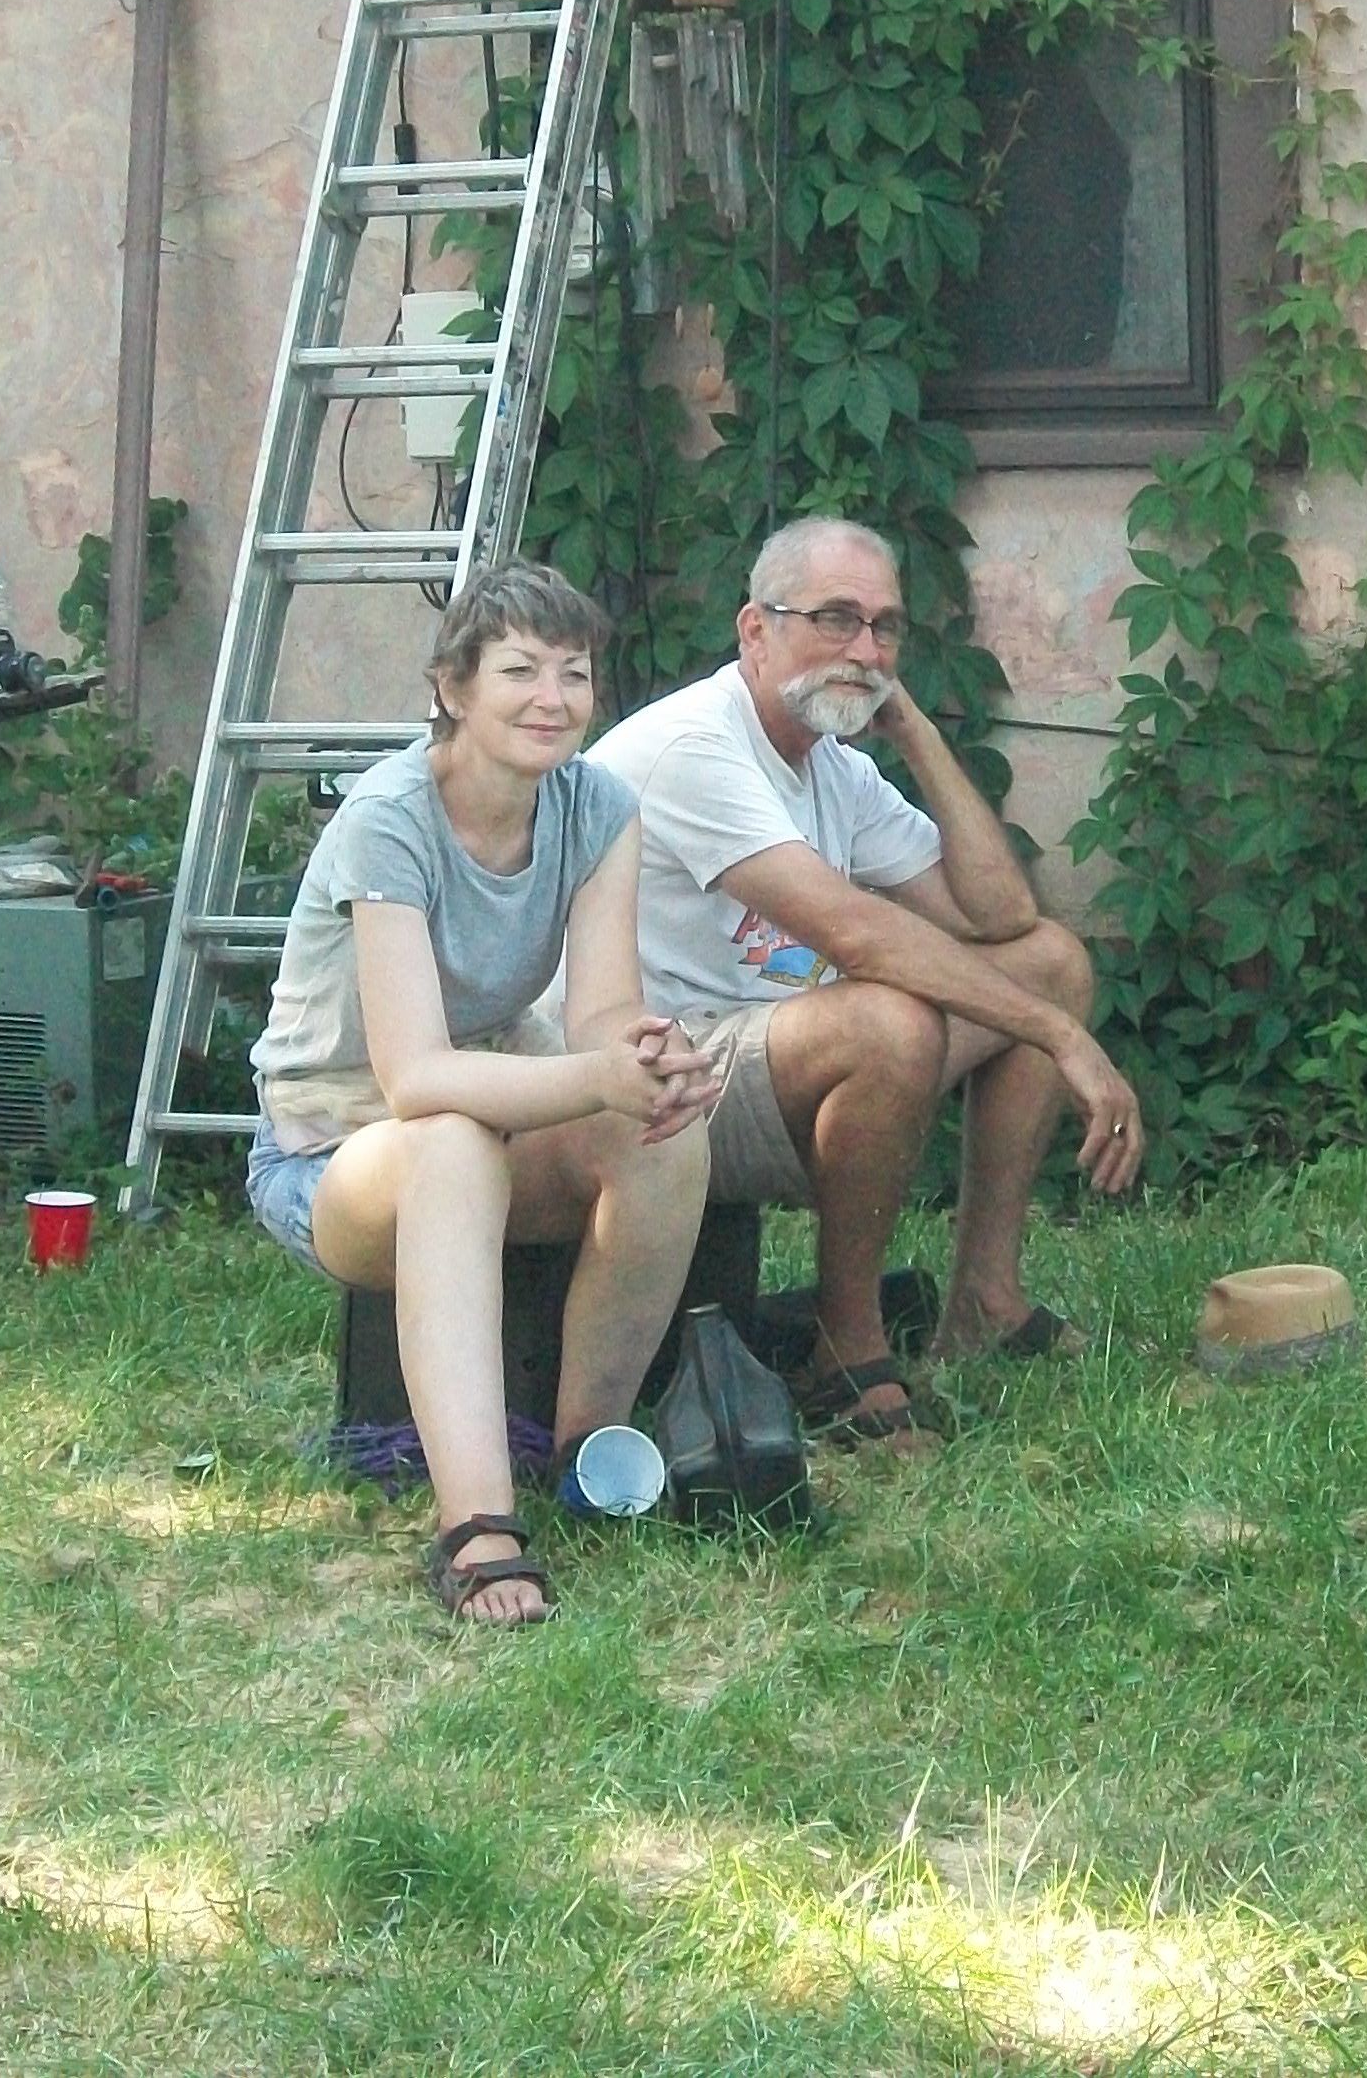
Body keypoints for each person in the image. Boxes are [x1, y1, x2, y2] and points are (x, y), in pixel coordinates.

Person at [586, 516, 1143, 1452]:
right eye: (836, 619)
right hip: (645, 1082)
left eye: (885, 628)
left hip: (764, 1053)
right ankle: (845, 1352)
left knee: (1050, 962)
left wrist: (916, 733)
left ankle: (985, 1301)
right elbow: (854, 933)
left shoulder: (833, 768)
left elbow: (999, 916)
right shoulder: (694, 745)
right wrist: (1059, 1035)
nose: (866, 650)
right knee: (888, 1023)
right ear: (755, 630)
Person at [248, 560, 719, 1624]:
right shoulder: (389, 817)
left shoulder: (598, 806)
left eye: (574, 673)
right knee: (453, 1137)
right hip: (337, 1152)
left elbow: (602, 1015)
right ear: (452, 689)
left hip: (489, 1125)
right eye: (520, 671)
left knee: (659, 1132)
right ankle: (477, 1528)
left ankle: (588, 1455)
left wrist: (644, 1058)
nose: (552, 698)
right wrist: (593, 1077)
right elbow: (414, 1076)